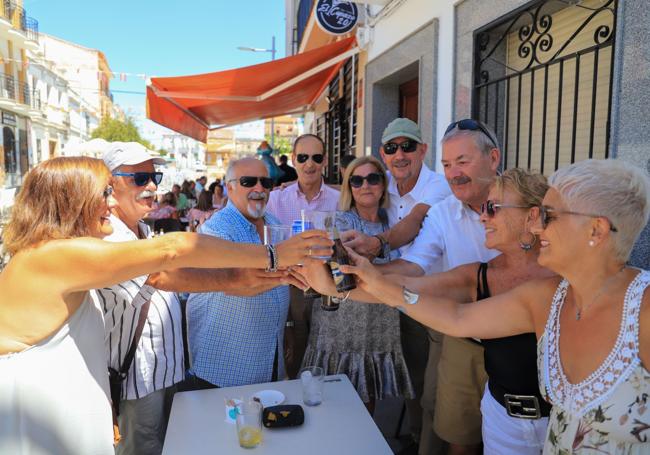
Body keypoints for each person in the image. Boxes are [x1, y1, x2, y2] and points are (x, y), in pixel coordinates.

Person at [0, 156, 331, 455]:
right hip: (37, 417)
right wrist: (273, 255)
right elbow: (171, 250)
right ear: (70, 202)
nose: (112, 202)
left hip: (61, 408)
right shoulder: (53, 255)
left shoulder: (61, 252)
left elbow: (168, 275)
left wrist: (265, 277)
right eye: (104, 193)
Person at [340, 159, 650, 454]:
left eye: (549, 216)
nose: (538, 227)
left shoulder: (643, 310)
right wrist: (355, 282)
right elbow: (457, 317)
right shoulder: (548, 296)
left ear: (595, 230)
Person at [303, 168, 554, 454]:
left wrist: (363, 283)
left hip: (561, 424)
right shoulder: (479, 275)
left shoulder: (563, 278)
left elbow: (456, 318)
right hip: (502, 422)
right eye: (484, 208)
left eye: (493, 208)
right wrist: (334, 285)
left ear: (532, 217)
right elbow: (410, 282)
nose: (483, 216)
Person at [343, 118, 451, 453]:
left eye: (408, 146)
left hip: (440, 296)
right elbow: (352, 190)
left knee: (438, 389)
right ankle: (418, 439)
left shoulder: (438, 184)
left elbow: (412, 224)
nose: (400, 154)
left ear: (423, 150)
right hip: (396, 296)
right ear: (383, 153)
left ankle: (433, 444)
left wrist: (375, 246)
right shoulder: (382, 181)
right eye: (392, 148)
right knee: (414, 381)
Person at [301, 156, 414, 414]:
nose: (366, 185)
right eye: (357, 180)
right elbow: (342, 269)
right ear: (349, 187)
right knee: (332, 394)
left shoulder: (392, 222)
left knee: (368, 393)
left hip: (380, 319)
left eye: (373, 178)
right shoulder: (340, 221)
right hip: (343, 318)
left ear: (383, 185)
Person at [185, 158, 293, 389]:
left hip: (269, 359)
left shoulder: (275, 224)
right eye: (249, 182)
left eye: (265, 182)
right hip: (225, 369)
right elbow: (240, 281)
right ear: (230, 186)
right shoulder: (216, 229)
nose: (259, 189)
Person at [266, 133, 341, 379]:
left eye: (316, 158)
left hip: (328, 284)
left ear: (325, 162)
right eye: (303, 157)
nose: (310, 164)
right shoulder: (276, 199)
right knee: (293, 353)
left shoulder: (339, 199)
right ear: (295, 161)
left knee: (329, 354)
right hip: (290, 284)